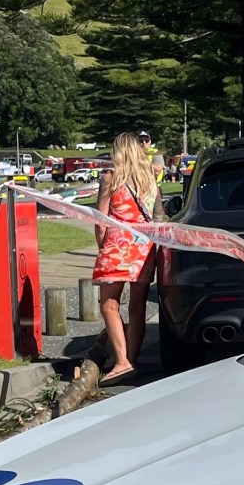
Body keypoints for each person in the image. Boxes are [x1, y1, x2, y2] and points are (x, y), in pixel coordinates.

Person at [92, 131, 160, 383]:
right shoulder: (150, 178)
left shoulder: (110, 178)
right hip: (144, 246)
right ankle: (132, 359)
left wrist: (102, 247)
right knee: (137, 305)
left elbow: (101, 221)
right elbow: (158, 214)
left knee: (109, 305)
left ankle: (121, 361)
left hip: (117, 246)